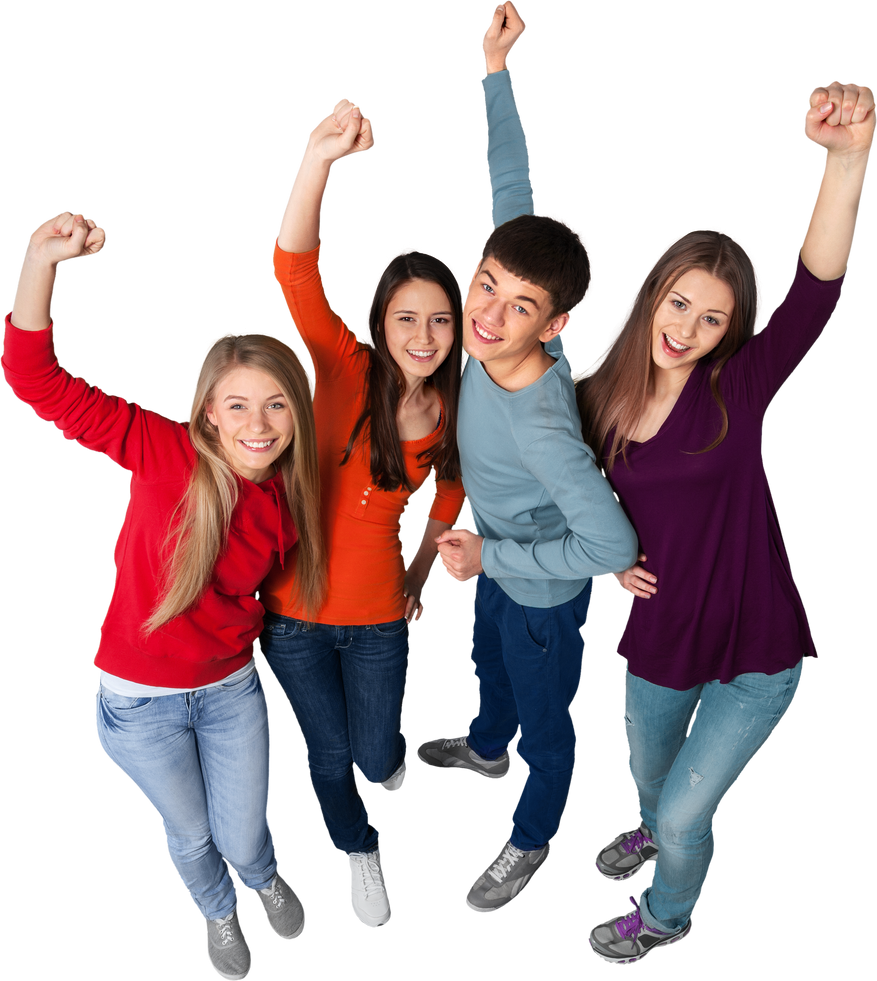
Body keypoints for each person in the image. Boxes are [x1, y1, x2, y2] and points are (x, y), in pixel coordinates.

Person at [572, 79, 875, 966]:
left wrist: (845, 160)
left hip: (754, 644)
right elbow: (558, 498)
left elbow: (815, 282)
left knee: (679, 814)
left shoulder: (734, 390)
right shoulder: (591, 400)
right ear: (652, 294)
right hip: (659, 636)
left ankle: (664, 914)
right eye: (679, 304)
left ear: (729, 332)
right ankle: (645, 840)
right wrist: (598, 563)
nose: (689, 327)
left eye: (713, 318)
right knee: (643, 784)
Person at [2, 210, 328, 981]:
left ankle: (261, 878)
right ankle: (218, 910)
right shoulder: (163, 451)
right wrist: (38, 261)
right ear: (208, 410)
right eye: (239, 405)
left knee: (246, 834)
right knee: (191, 835)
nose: (259, 424)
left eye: (276, 404)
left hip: (228, 690)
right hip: (142, 700)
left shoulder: (289, 494)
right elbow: (32, 377)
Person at [413, 2, 638, 913]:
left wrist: (493, 556)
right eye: (486, 286)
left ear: (555, 326)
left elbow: (613, 550)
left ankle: (530, 838)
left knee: (546, 731)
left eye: (516, 307)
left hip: (543, 586)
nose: (487, 313)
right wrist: (493, 67)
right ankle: (481, 740)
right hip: (498, 563)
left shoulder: (545, 428)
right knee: (489, 663)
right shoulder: (495, 294)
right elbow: (506, 179)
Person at [257, 91, 467, 928]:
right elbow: (293, 268)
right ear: (379, 322)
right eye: (406, 316)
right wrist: (318, 159)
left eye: (440, 319)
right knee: (332, 751)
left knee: (376, 756)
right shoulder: (344, 370)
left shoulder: (454, 416)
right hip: (296, 619)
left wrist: (423, 568)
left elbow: (445, 504)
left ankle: (383, 776)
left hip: (380, 621)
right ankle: (358, 855)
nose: (423, 333)